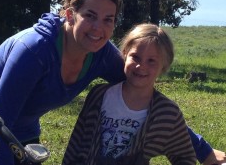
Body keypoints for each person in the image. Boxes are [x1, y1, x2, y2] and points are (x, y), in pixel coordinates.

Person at [0, 0, 226, 165]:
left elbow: (146, 92)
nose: (99, 28)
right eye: (90, 16)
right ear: (69, 14)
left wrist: (202, 151)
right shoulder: (34, 51)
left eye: (108, 19)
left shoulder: (102, 55)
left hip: (23, 123)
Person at [63, 23, 197, 164]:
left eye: (151, 61)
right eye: (135, 57)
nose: (141, 66)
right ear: (125, 54)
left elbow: (185, 156)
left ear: (164, 65)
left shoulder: (166, 113)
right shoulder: (99, 95)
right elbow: (75, 145)